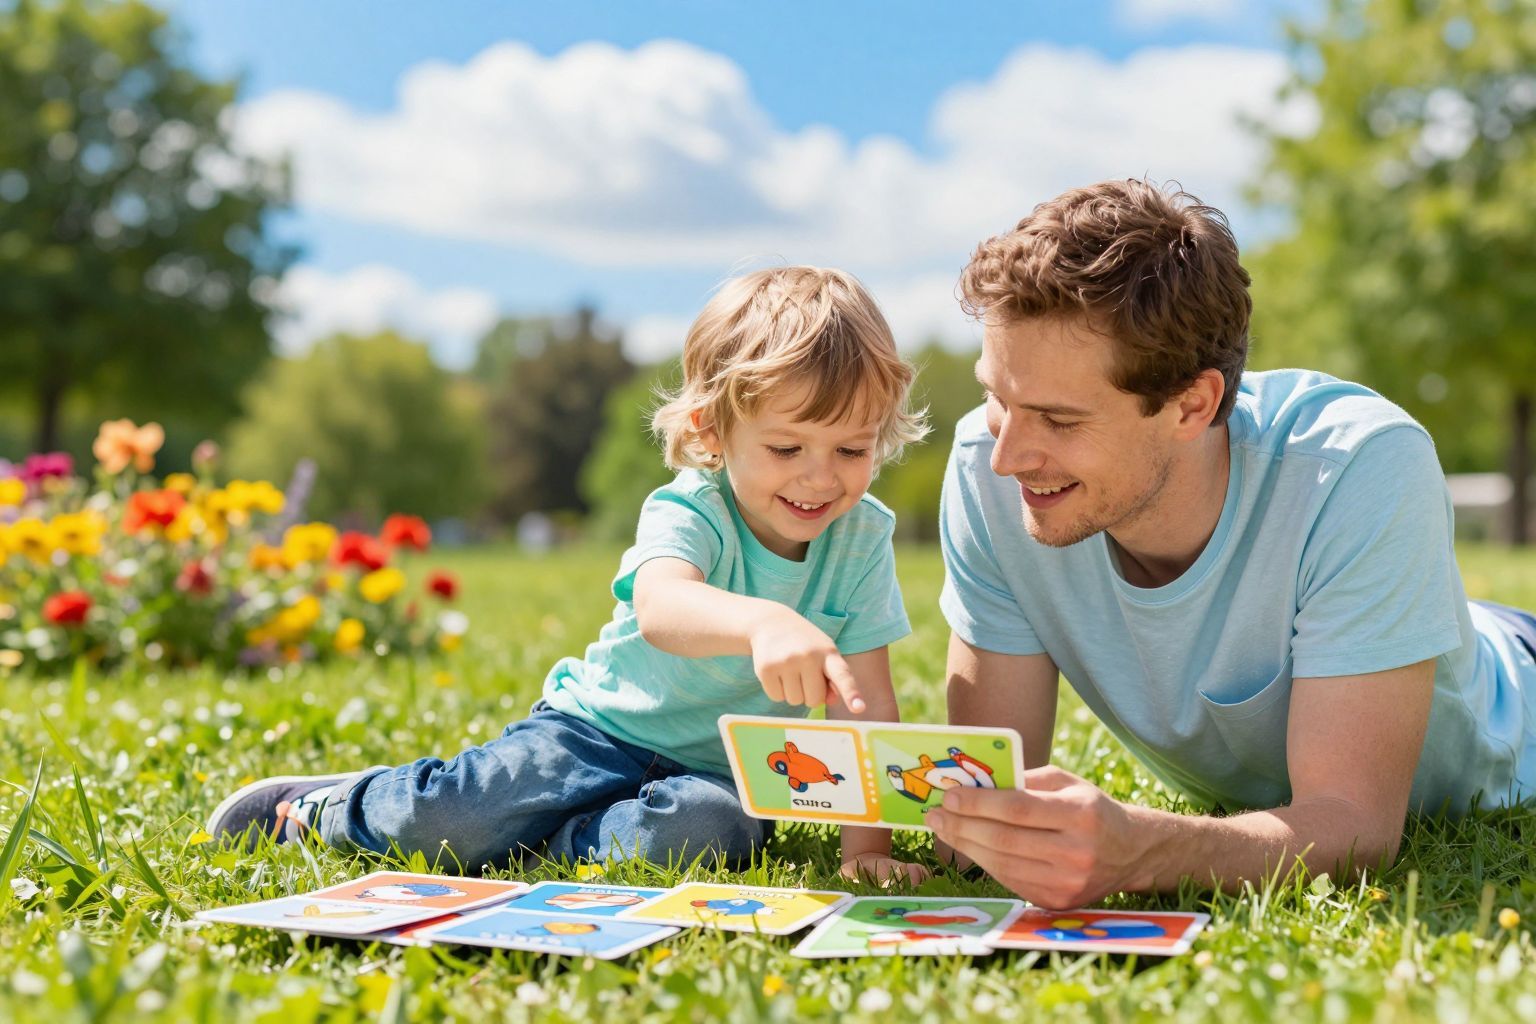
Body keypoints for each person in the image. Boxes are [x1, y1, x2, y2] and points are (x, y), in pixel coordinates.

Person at [924, 179, 1536, 910]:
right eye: (998, 396)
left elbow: (1356, 824)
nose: (1008, 455)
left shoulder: (1360, 465)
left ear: (1193, 405)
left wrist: (1143, 850)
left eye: (1058, 420)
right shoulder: (984, 466)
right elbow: (980, 815)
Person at [209, 266, 931, 881]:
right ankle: (332, 809)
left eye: (851, 450)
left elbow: (863, 703)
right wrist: (763, 621)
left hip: (724, 774)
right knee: (462, 812)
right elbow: (663, 605)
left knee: (703, 835)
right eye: (786, 446)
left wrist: (865, 850)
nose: (820, 477)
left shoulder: (861, 536)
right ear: (713, 431)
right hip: (596, 731)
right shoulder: (693, 507)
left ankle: (548, 841)